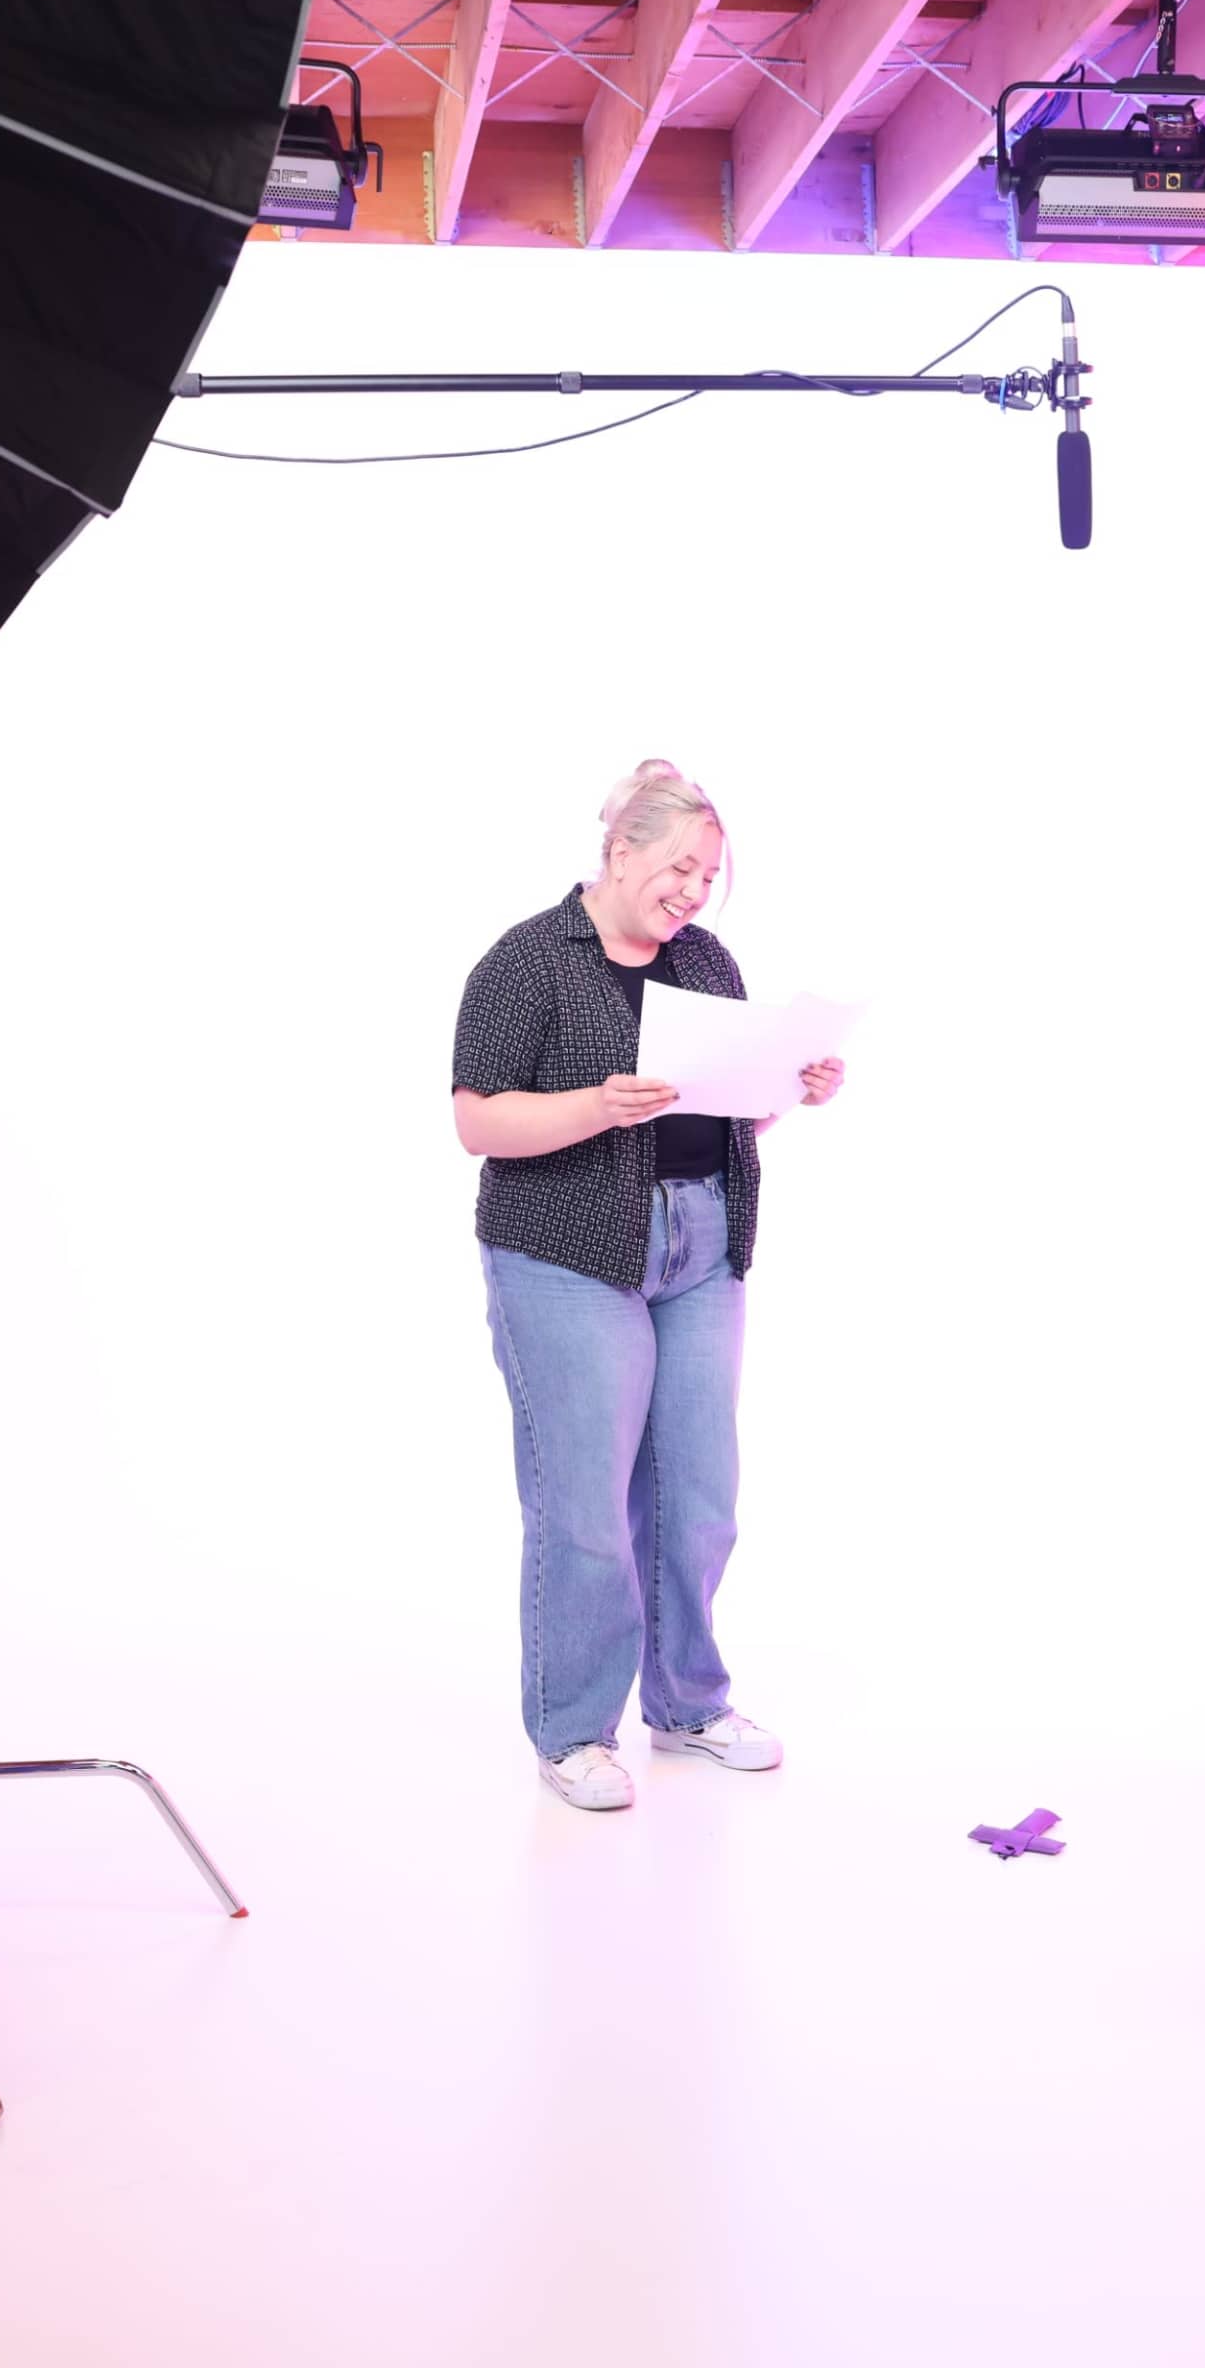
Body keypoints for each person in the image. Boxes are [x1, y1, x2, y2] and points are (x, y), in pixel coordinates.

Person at [451, 760, 844, 1812]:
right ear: (619, 850)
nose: (692, 892)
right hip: (567, 1250)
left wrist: (789, 1089)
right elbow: (478, 1120)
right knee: (583, 1502)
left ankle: (687, 1705)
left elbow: (722, 1105)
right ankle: (574, 1729)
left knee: (697, 1489)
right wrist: (596, 1105)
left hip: (701, 1243)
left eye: (708, 876)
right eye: (678, 867)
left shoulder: (706, 961)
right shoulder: (529, 961)